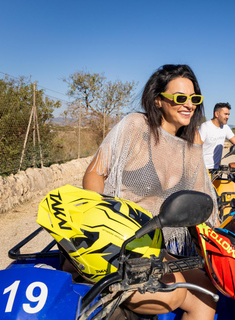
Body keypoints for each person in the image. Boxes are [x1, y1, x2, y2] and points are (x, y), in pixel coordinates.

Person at [83, 64, 218, 318]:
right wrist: (100, 225)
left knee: (210, 290)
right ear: (158, 100)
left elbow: (204, 204)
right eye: (180, 98)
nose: (189, 104)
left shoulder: (192, 148)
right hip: (117, 242)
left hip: (155, 250)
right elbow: (95, 174)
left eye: (194, 99)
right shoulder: (136, 126)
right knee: (174, 293)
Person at [198, 102, 235, 170]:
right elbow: (196, 148)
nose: (228, 117)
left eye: (228, 114)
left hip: (217, 169)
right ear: (216, 114)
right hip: (203, 169)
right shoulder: (205, 127)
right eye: (225, 114)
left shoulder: (225, 128)